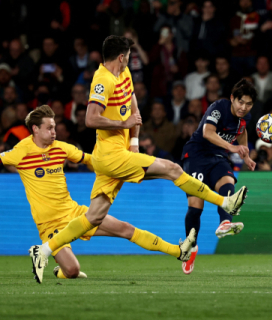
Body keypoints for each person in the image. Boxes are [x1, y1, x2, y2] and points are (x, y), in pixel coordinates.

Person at [29, 36, 248, 284]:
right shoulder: (102, 79)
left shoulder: (124, 74)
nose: (131, 60)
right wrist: (123, 124)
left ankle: (44, 250)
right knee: (173, 169)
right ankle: (225, 202)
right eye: (129, 56)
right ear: (121, 57)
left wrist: (133, 141)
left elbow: (134, 107)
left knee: (93, 217)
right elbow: (91, 118)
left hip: (119, 154)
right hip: (111, 156)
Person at [1, 105, 196, 280]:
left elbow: (91, 160)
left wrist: (119, 166)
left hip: (74, 213)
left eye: (54, 127)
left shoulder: (61, 148)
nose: (54, 132)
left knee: (125, 228)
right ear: (35, 129)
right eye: (49, 128)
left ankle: (178, 251)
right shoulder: (21, 152)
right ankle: (59, 269)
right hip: (49, 224)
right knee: (72, 271)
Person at [181, 79, 257, 275]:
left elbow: (241, 132)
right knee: (195, 207)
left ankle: (225, 222)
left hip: (218, 157)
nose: (243, 107)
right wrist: (232, 147)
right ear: (232, 99)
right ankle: (191, 248)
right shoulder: (219, 107)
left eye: (248, 104)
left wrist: (246, 156)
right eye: (241, 102)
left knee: (228, 181)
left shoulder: (244, 119)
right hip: (196, 155)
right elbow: (207, 132)